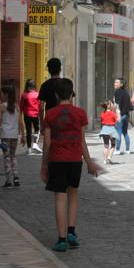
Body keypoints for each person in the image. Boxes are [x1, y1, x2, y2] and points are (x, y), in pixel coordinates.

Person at [40, 78, 98, 252]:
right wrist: (89, 162)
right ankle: (72, 232)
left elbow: (47, 143)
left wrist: (44, 165)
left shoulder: (49, 114)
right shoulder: (80, 113)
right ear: (72, 94)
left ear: (56, 95)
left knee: (60, 198)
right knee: (73, 194)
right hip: (75, 161)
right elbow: (82, 141)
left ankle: (62, 239)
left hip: (57, 160)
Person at [0, 85, 26, 187]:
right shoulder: (16, 106)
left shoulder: (2, 106)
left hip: (5, 135)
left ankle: (8, 180)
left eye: (0, 94)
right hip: (14, 136)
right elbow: (21, 122)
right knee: (13, 156)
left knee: (6, 157)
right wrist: (23, 136)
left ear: (6, 95)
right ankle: (16, 177)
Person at [19, 79, 43, 155]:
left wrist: (20, 114)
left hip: (27, 115)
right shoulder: (37, 94)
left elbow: (21, 106)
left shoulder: (24, 95)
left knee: (28, 131)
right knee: (37, 130)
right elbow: (40, 106)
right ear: (34, 86)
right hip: (36, 115)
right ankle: (35, 143)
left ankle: (29, 149)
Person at [38, 58, 62, 124]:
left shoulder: (44, 85)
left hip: (50, 120)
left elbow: (41, 108)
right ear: (60, 69)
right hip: (63, 119)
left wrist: (42, 124)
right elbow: (71, 103)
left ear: (48, 70)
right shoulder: (66, 84)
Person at [113, 78, 132, 154]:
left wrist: (117, 115)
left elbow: (117, 105)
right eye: (115, 82)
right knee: (125, 132)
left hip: (120, 115)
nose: (115, 83)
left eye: (117, 82)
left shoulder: (117, 92)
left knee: (118, 132)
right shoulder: (126, 92)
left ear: (121, 84)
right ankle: (127, 150)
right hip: (126, 115)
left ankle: (117, 149)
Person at [99, 100, 119, 164]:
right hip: (111, 130)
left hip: (104, 130)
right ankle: (109, 157)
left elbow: (101, 122)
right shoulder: (113, 113)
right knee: (113, 145)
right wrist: (117, 112)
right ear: (110, 106)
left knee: (106, 146)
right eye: (112, 104)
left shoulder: (102, 113)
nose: (113, 105)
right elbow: (118, 120)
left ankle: (105, 160)